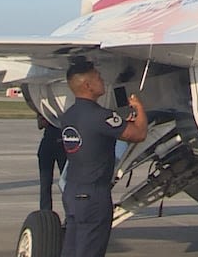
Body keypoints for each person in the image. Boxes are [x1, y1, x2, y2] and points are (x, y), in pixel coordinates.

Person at [59, 61, 148, 257]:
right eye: (98, 78)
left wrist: (122, 126)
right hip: (94, 195)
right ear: (87, 85)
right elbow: (139, 134)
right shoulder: (101, 116)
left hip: (72, 191)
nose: (103, 81)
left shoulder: (68, 116)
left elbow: (95, 135)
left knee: (71, 249)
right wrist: (140, 108)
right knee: (90, 250)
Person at [37, 112, 67, 212]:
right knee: (45, 183)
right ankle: (45, 213)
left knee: (66, 182)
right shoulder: (45, 109)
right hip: (48, 144)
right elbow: (40, 125)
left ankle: (70, 214)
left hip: (62, 144)